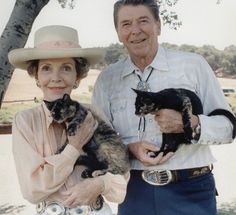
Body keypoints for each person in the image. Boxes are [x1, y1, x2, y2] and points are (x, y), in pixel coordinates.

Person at [91, 0, 235, 215]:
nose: (136, 31)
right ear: (118, 32)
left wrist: (190, 123)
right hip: (133, 193)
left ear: (158, 26)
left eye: (143, 21)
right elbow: (97, 141)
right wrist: (128, 148)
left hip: (192, 189)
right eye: (126, 24)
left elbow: (228, 128)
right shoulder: (107, 79)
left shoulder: (193, 65)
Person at [8, 25, 129, 215]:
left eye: (66, 68)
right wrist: (73, 149)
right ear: (37, 76)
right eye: (46, 68)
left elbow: (121, 182)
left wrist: (101, 183)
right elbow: (33, 190)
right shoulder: (25, 121)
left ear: (77, 77)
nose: (56, 78)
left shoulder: (93, 113)